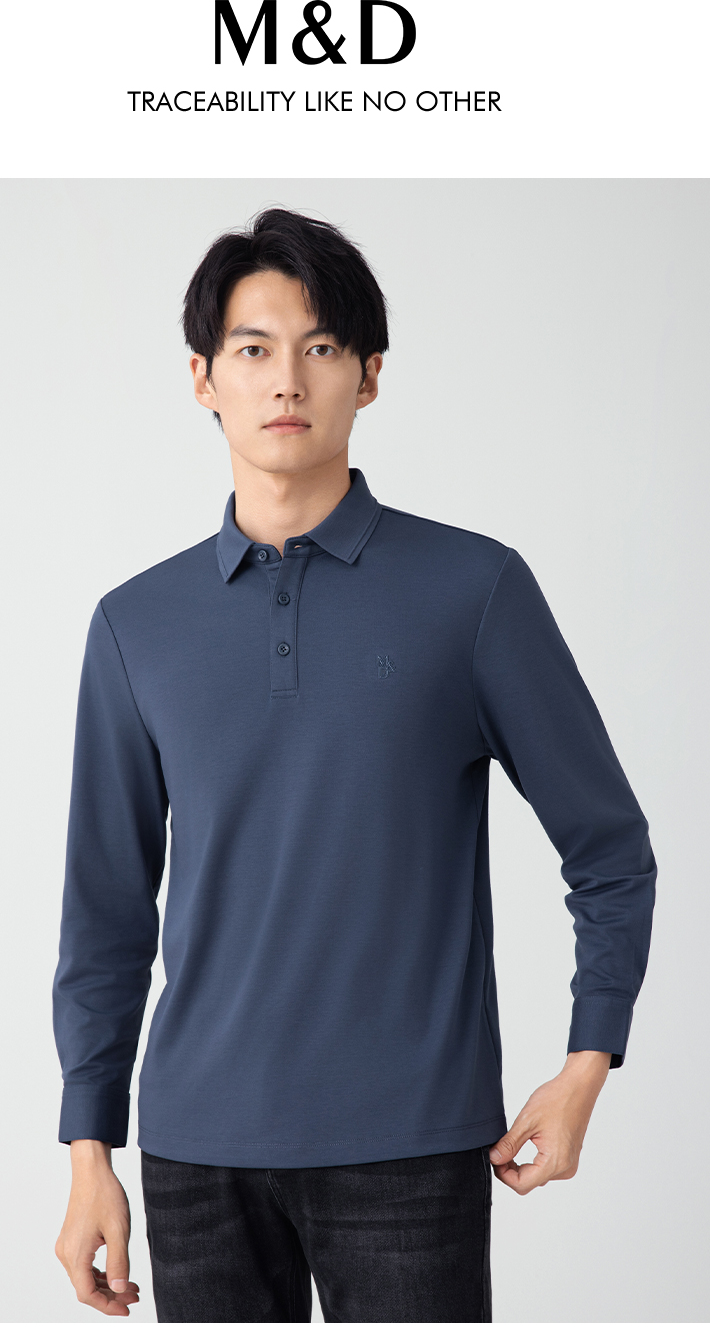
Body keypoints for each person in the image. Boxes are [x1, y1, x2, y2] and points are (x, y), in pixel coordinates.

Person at [52, 207, 657, 1323]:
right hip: (196, 1157)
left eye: (322, 346)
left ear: (369, 376)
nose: (288, 379)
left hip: (413, 1149)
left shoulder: (473, 592)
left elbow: (610, 851)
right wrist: (90, 1147)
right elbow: (105, 908)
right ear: (203, 378)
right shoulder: (136, 625)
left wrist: (588, 1063)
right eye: (253, 348)